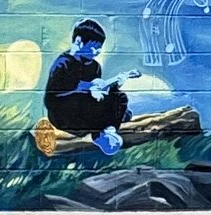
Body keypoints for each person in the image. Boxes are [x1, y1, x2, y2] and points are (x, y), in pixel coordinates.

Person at [43, 19, 144, 156]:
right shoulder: (63, 64)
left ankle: (108, 131)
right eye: (94, 46)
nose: (98, 51)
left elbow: (99, 94)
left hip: (87, 112)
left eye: (100, 47)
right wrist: (87, 90)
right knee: (119, 112)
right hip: (65, 115)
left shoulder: (94, 66)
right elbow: (51, 99)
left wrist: (114, 86)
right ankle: (103, 129)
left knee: (120, 97)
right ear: (78, 41)